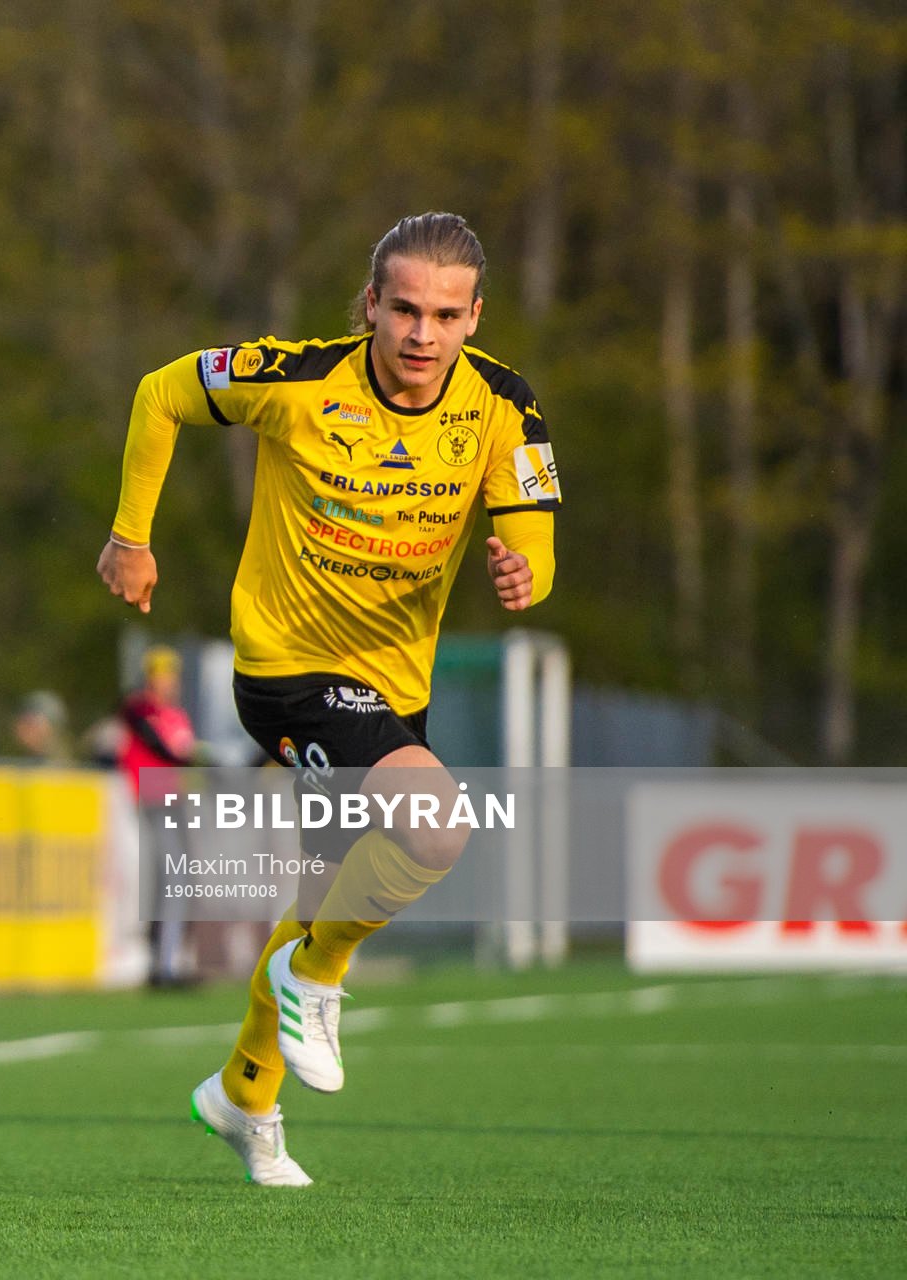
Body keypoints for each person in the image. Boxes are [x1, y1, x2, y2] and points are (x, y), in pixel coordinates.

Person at [97, 212, 559, 1186]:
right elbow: (162, 391)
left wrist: (530, 573)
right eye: (403, 309)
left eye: (443, 314)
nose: (421, 334)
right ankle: (316, 972)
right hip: (287, 668)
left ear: (476, 317)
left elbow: (534, 536)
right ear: (370, 307)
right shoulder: (298, 379)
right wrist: (131, 534)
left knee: (324, 890)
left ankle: (244, 1092)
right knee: (435, 828)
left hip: (394, 692)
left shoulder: (506, 408)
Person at [117, 646, 199, 987]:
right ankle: (163, 965)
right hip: (153, 800)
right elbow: (164, 749)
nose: (169, 681)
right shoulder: (140, 708)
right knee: (172, 880)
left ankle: (167, 959)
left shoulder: (176, 715)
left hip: (175, 802)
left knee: (177, 881)